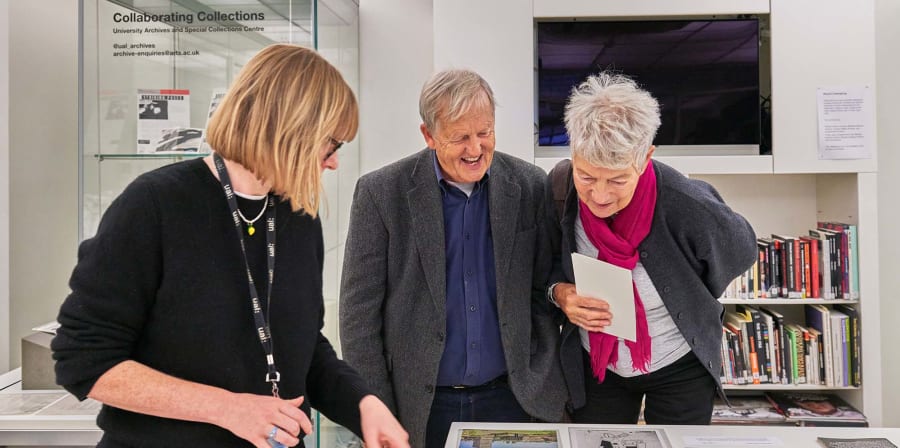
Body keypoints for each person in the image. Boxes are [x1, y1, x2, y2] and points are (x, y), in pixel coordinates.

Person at [51, 44, 409, 448]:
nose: (332, 162)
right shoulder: (155, 205)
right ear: (292, 130)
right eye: (332, 144)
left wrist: (364, 405)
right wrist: (226, 408)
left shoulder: (298, 217)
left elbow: (303, 348)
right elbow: (83, 360)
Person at [339, 69, 567, 448]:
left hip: (514, 397)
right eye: (460, 137)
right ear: (429, 135)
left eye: (485, 133)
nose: (475, 149)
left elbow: (546, 281)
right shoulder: (381, 194)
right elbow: (358, 317)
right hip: (421, 406)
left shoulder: (529, 185)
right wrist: (374, 409)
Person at [545, 72, 758, 425]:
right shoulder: (560, 187)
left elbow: (741, 250)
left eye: (617, 179)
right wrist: (561, 294)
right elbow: (547, 263)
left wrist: (688, 292)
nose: (599, 195)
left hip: (679, 364)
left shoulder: (686, 201)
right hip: (598, 364)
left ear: (645, 159)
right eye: (587, 176)